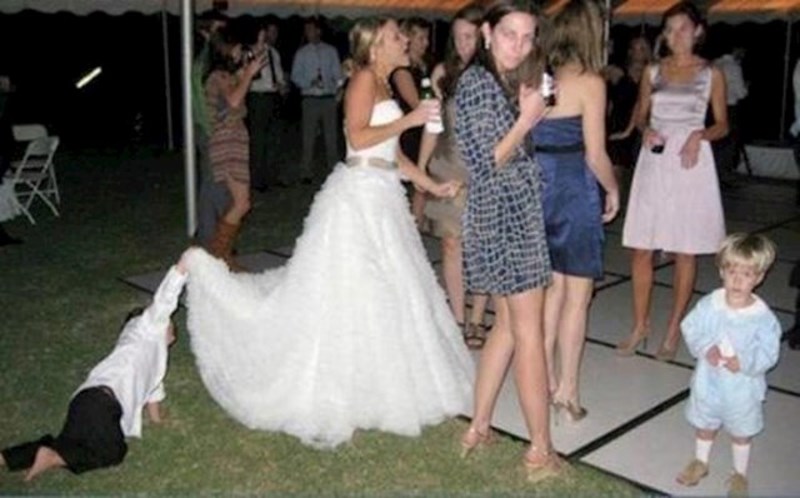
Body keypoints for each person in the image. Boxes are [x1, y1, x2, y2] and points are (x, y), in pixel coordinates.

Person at [180, 16, 473, 449]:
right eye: (396, 35)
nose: (404, 41)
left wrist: (431, 184)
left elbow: (392, 155)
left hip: (383, 195)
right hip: (358, 198)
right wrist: (409, 120)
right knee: (352, 289)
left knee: (388, 291)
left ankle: (376, 380)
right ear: (376, 45)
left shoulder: (386, 83)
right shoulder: (363, 80)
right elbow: (358, 136)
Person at [454, 0, 565, 481]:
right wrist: (526, 119)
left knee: (505, 326)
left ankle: (478, 427)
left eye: (526, 36)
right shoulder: (478, 83)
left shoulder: (498, 79)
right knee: (529, 333)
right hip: (507, 218)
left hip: (503, 213)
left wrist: (528, 111)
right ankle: (540, 449)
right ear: (486, 32)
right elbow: (483, 163)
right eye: (508, 34)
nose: (518, 46)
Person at [0, 262, 187, 481]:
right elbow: (164, 301)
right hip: (102, 403)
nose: (171, 326)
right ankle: (53, 458)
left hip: (85, 401)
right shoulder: (146, 329)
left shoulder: (149, 356)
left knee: (66, 444)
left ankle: (6, 458)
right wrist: (180, 270)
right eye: (168, 323)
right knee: (113, 452)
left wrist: (156, 419)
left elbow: (154, 388)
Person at [617, 1, 728, 362]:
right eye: (669, 29)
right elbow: (640, 114)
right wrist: (645, 129)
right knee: (641, 248)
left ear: (698, 31)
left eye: (683, 28)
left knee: (684, 249)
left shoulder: (711, 73)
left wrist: (700, 134)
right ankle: (640, 324)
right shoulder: (653, 71)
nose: (675, 35)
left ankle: (672, 329)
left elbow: (723, 124)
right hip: (656, 158)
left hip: (691, 161)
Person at [532, 0, 620, 423]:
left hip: (538, 187)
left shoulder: (537, 78)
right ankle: (567, 390)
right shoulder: (590, 81)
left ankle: (545, 381)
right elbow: (596, 154)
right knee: (577, 297)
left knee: (551, 291)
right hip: (573, 190)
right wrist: (613, 188)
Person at [676, 233, 780, 497]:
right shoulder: (710, 304)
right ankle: (700, 461)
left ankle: (739, 474)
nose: (737, 280)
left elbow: (769, 352)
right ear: (722, 271)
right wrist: (705, 347)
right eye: (731, 272)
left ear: (759, 277)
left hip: (742, 387)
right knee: (705, 423)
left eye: (746, 274)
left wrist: (744, 362)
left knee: (741, 431)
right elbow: (690, 326)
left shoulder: (762, 317)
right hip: (708, 381)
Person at [417, 3, 489, 349]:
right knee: (450, 243)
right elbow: (432, 124)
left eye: (469, 36)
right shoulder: (443, 73)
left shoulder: (496, 73)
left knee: (482, 245)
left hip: (485, 168)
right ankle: (459, 319)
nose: (463, 44)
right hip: (447, 163)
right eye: (458, 37)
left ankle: (478, 317)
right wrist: (420, 169)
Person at [203, 26, 266, 270]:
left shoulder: (228, 75)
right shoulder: (217, 76)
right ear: (226, 50)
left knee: (239, 202)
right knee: (241, 202)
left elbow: (242, 79)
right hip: (227, 141)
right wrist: (248, 74)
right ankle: (219, 256)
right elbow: (233, 101)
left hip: (234, 139)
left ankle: (222, 255)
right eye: (238, 48)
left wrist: (256, 54)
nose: (241, 52)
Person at [192, 10, 232, 250]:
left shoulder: (205, 57)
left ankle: (210, 236)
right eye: (218, 30)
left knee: (211, 184)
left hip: (207, 127)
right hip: (210, 128)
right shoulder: (205, 59)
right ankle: (217, 238)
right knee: (216, 185)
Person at [290, 17, 343, 185]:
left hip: (328, 98)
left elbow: (338, 74)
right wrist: (308, 82)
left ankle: (333, 169)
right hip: (310, 99)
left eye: (311, 29)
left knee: (331, 136)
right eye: (306, 30)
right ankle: (306, 171)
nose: (308, 33)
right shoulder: (302, 53)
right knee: (308, 136)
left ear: (319, 31)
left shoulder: (331, 51)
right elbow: (295, 76)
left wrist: (338, 87)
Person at [391, 17, 432, 228]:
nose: (426, 43)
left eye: (427, 38)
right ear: (408, 39)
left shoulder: (423, 66)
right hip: (408, 133)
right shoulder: (402, 71)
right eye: (421, 38)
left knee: (422, 181)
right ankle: (404, 227)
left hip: (424, 130)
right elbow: (416, 103)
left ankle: (415, 225)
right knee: (409, 181)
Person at [247, 17, 289, 191]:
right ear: (263, 33)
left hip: (274, 97)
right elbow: (250, 76)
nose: (273, 35)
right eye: (270, 32)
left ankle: (272, 176)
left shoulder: (274, 53)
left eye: (276, 32)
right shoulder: (253, 51)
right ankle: (258, 180)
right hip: (259, 97)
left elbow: (278, 74)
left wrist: (282, 85)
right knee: (259, 140)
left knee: (274, 138)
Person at [607, 35, 652, 168]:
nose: (638, 52)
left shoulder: (652, 75)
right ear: (629, 51)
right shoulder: (617, 73)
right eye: (635, 48)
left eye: (642, 48)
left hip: (640, 129)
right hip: (618, 126)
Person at [713, 45, 748, 184]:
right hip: (729, 107)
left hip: (713, 108)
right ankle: (724, 174)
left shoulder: (716, 63)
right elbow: (741, 93)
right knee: (728, 142)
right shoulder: (734, 67)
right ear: (737, 50)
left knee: (716, 141)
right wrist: (746, 87)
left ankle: (715, 173)